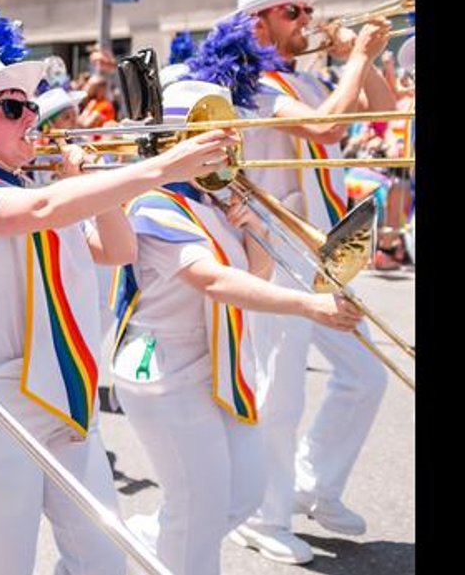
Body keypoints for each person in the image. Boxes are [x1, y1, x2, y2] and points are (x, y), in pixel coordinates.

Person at [0, 6, 238, 575]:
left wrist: (90, 182)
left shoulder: (38, 190)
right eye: (12, 108)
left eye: (30, 106)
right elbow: (41, 210)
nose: (31, 117)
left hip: (65, 396)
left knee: (103, 561)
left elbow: (118, 249)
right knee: (2, 568)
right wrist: (163, 168)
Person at [111, 79, 363, 575]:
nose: (229, 144)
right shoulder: (154, 204)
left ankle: (156, 537)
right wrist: (309, 305)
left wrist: (254, 231)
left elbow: (253, 277)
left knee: (245, 493)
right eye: (215, 133)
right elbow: (212, 280)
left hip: (220, 363)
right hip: (167, 370)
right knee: (199, 511)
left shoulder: (212, 201)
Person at [228, 0, 394, 564]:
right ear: (259, 24)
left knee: (364, 374)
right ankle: (262, 515)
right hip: (274, 246)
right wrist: (352, 59)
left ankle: (313, 485)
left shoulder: (310, 78)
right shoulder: (253, 83)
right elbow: (326, 131)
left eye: (307, 9)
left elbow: (382, 110)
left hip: (321, 247)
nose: (308, 20)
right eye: (293, 11)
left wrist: (366, 55)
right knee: (280, 388)